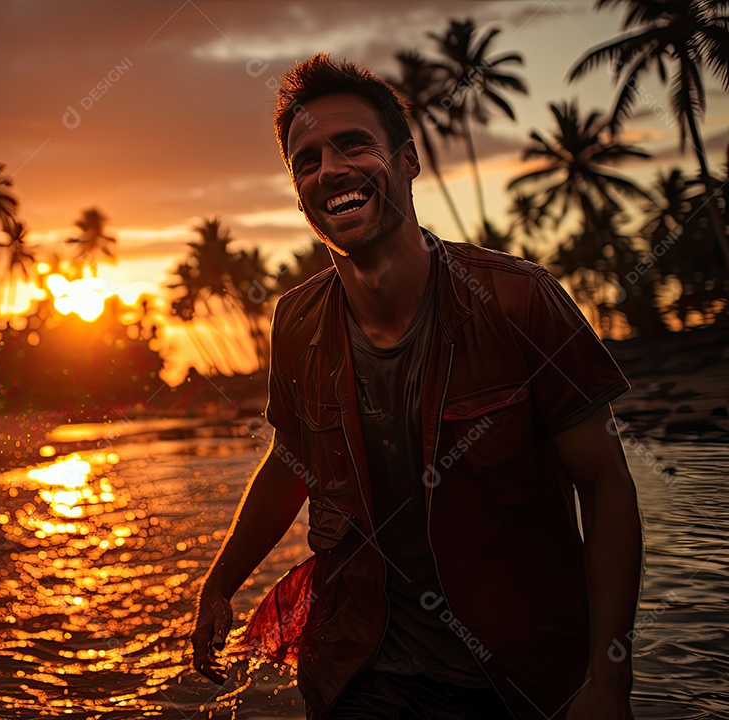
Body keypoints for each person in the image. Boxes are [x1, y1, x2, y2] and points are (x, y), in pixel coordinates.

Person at [190, 54, 643, 720]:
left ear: (407, 161)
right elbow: (290, 464)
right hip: (358, 675)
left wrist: (609, 678)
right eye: (306, 160)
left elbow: (605, 487)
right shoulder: (295, 322)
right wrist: (219, 584)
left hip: (519, 680)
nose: (330, 170)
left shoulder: (518, 301)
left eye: (352, 145)